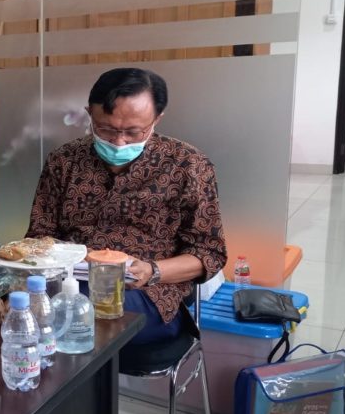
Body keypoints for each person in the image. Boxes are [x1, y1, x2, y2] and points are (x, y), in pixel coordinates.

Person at [26, 68, 227, 344]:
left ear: (157, 119)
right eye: (106, 129)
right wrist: (73, 255)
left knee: (79, 320)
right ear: (90, 114)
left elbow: (209, 253)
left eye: (133, 132)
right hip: (68, 281)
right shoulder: (64, 161)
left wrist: (152, 270)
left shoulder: (188, 166)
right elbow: (39, 237)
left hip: (147, 292)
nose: (119, 142)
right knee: (16, 308)